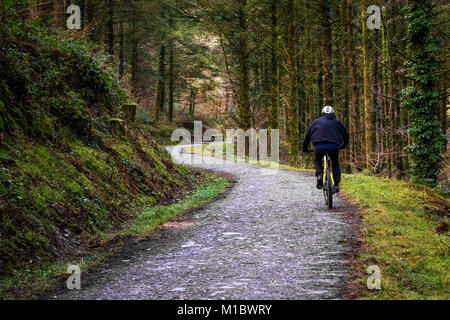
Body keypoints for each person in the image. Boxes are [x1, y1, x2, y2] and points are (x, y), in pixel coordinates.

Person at [302, 106, 349, 193]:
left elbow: (307, 136)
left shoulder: (316, 122)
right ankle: (336, 185)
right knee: (335, 163)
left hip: (319, 146)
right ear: (333, 113)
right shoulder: (337, 122)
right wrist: (343, 145)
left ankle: (319, 174)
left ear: (323, 113)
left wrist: (305, 148)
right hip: (334, 146)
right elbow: (345, 135)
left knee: (317, 161)